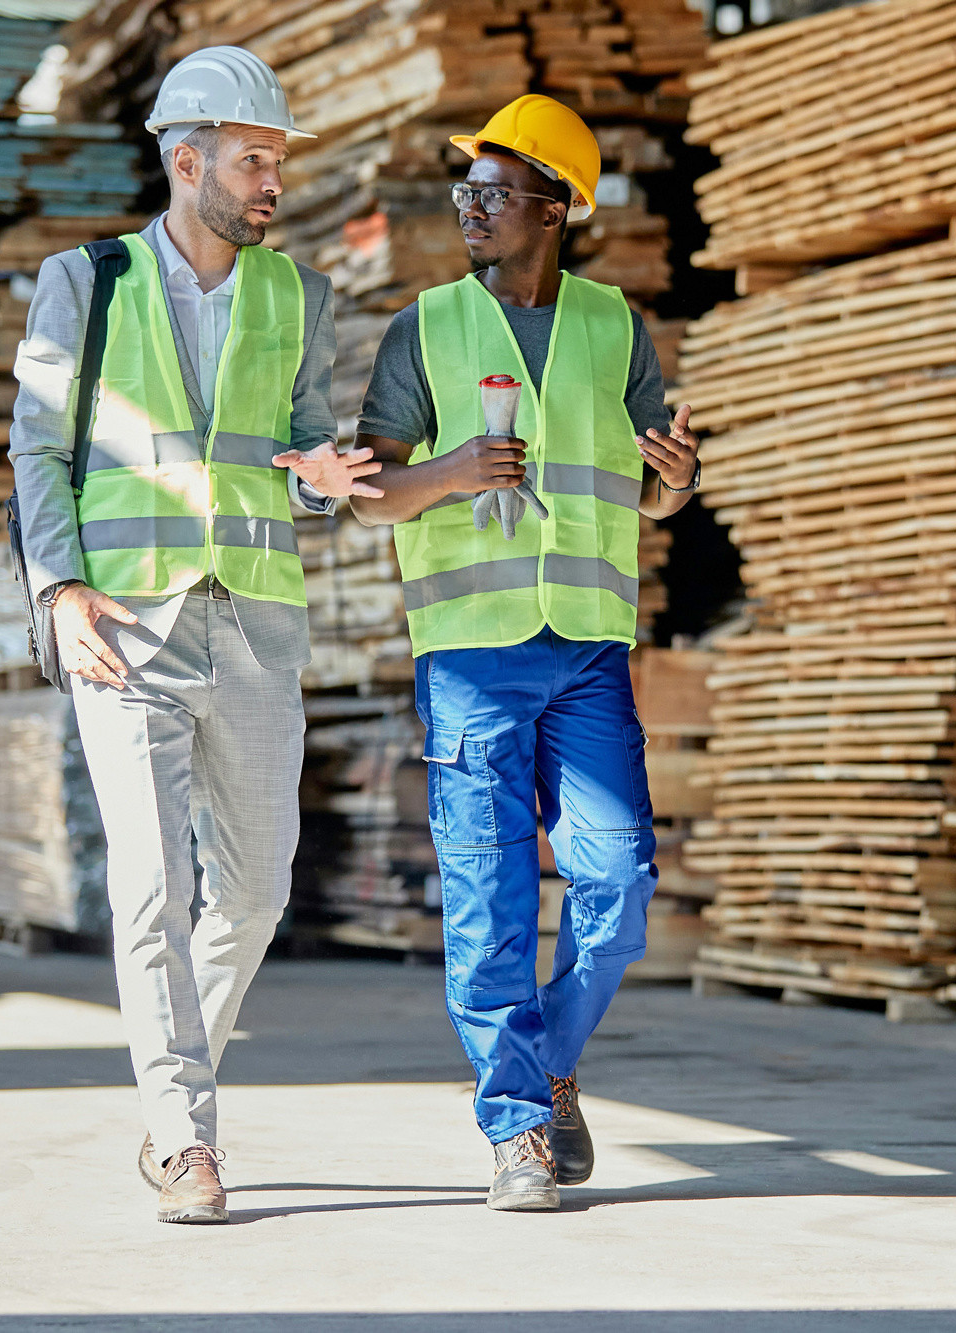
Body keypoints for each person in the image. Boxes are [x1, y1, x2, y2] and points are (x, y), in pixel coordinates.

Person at [7, 46, 382, 1225]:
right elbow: (37, 449)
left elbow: (303, 452)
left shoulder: (297, 294)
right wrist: (58, 591)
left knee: (258, 891)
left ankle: (175, 1097)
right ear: (188, 159)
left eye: (275, 159)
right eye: (255, 158)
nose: (273, 179)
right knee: (151, 883)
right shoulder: (88, 282)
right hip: (125, 625)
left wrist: (321, 481)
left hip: (256, 626)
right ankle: (183, 1136)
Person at [349, 94, 702, 1211]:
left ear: (558, 210)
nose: (472, 211)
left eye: (495, 195)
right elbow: (365, 494)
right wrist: (447, 473)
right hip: (469, 656)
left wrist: (677, 486)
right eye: (467, 193)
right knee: (489, 897)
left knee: (618, 880)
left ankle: (546, 1065)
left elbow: (648, 483)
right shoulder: (425, 327)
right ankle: (514, 1130)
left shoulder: (613, 329)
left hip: (588, 648)